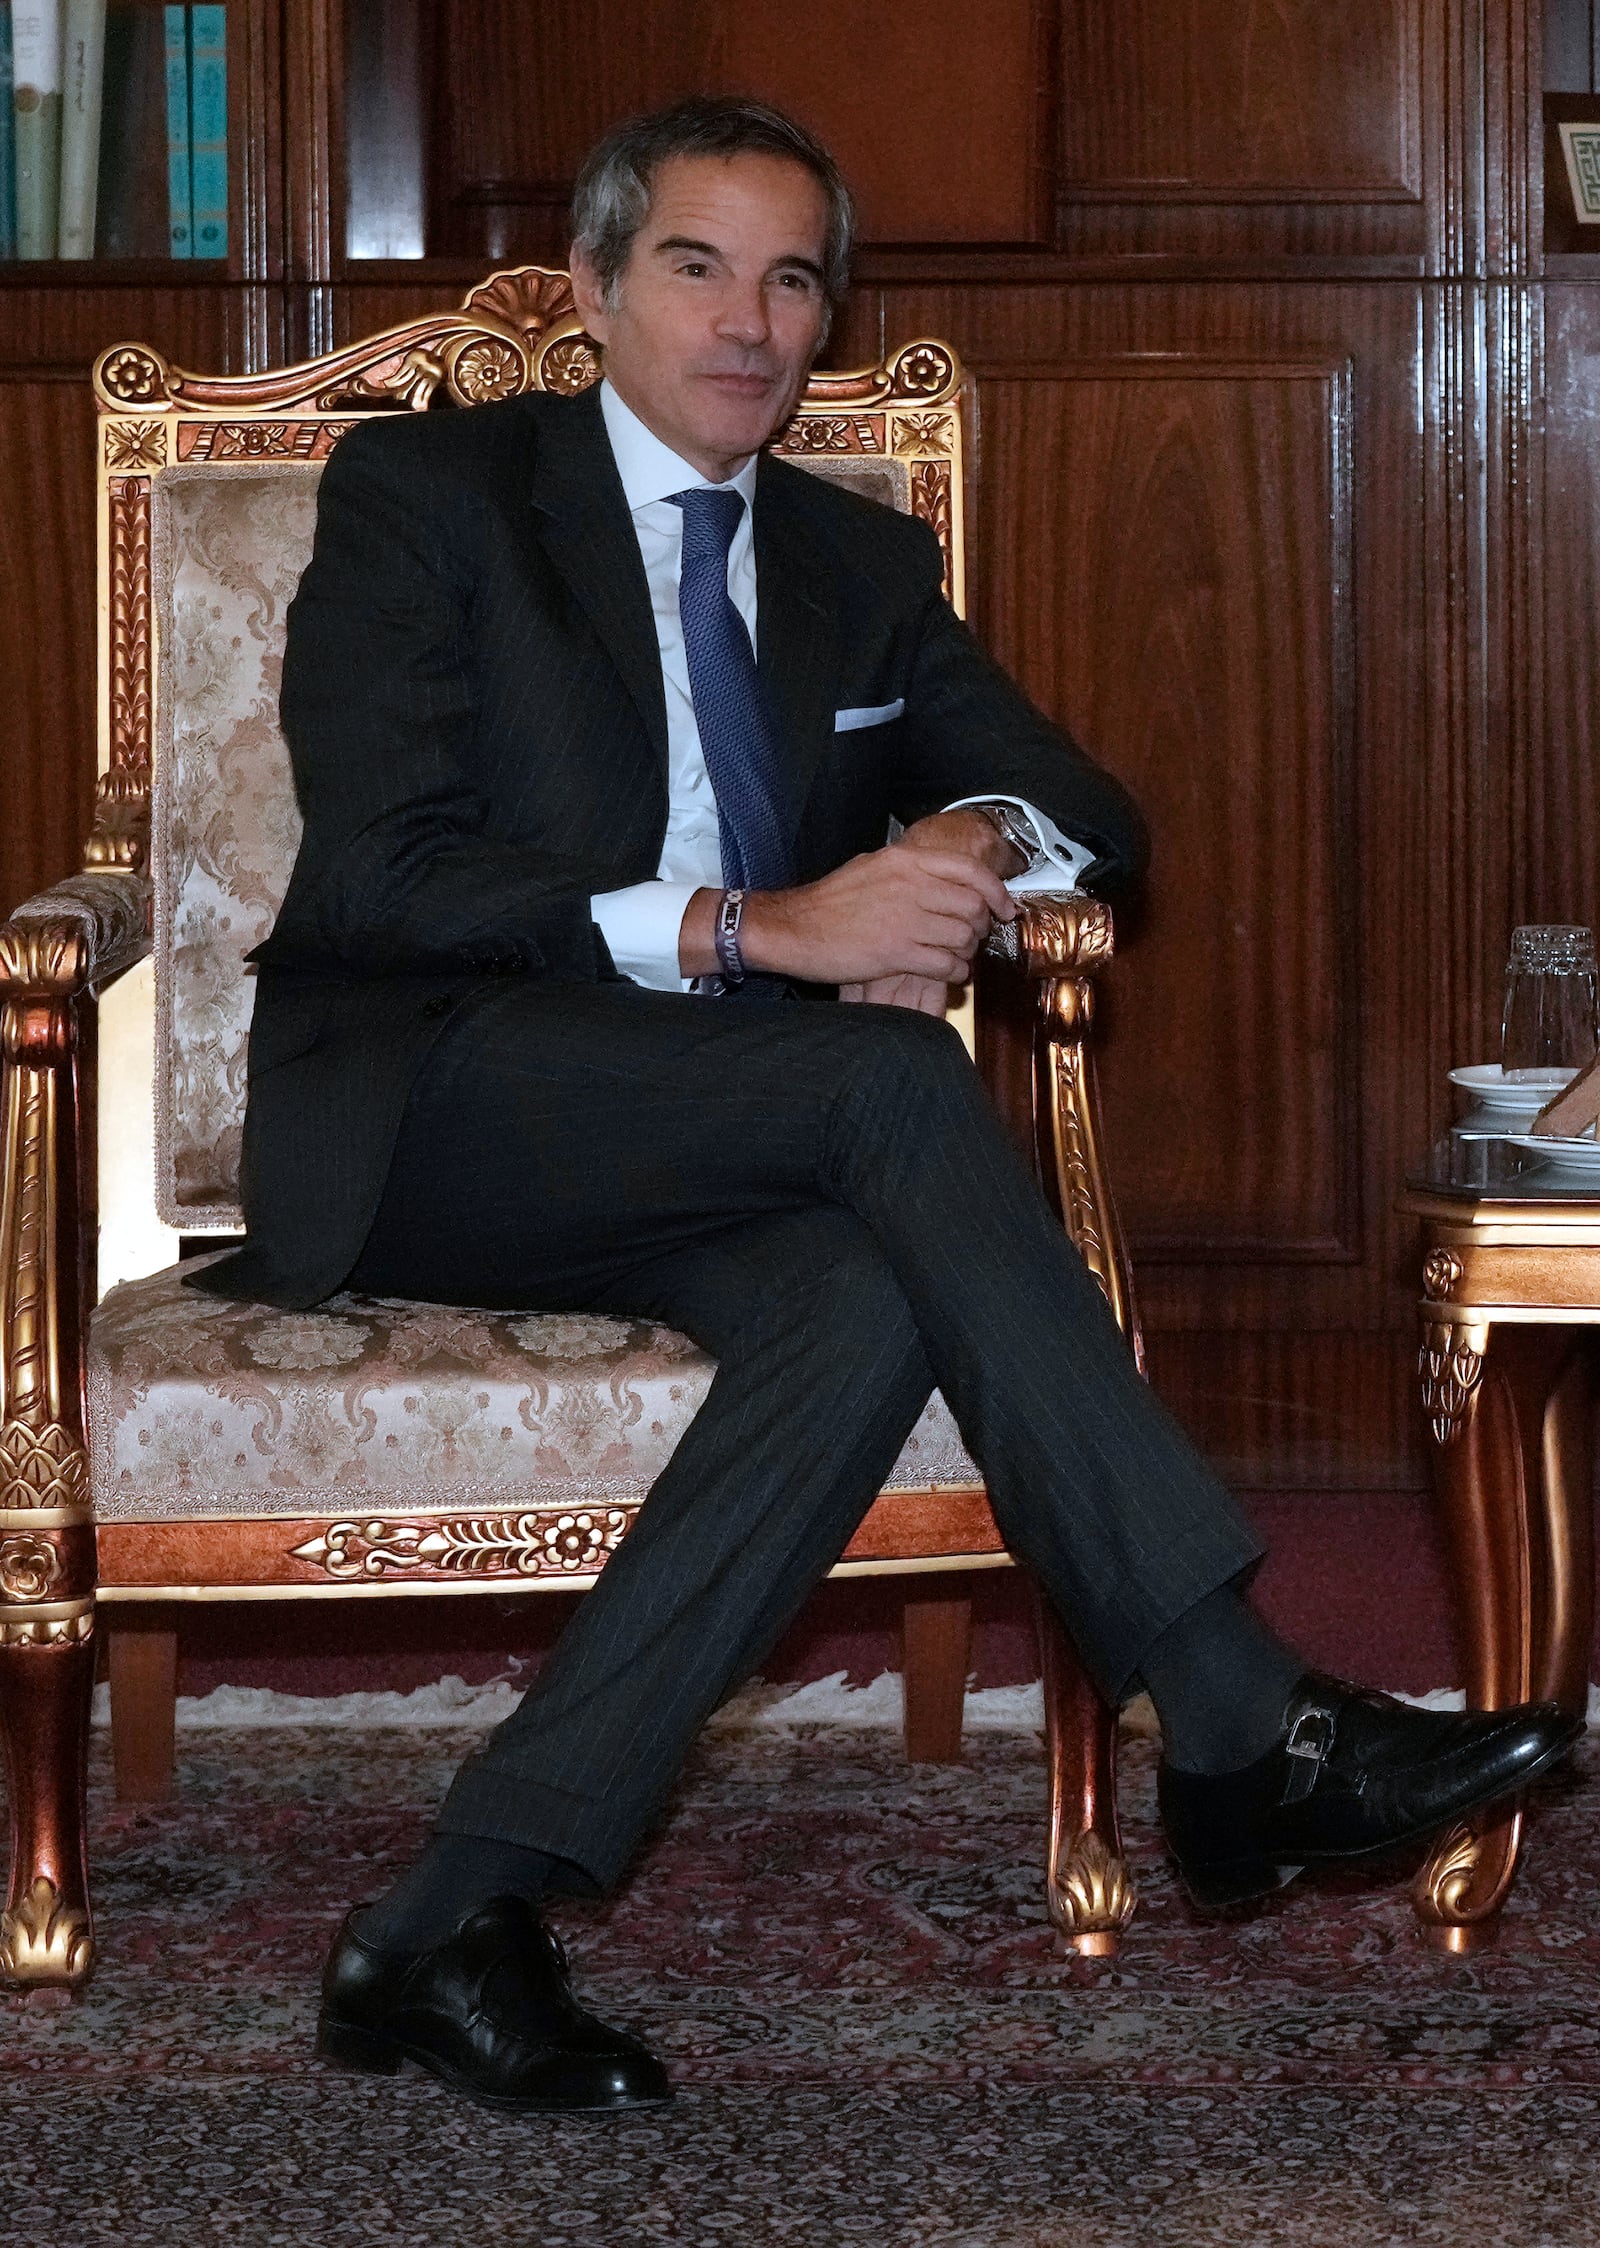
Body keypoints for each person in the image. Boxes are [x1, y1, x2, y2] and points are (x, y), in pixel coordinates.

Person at [195, 96, 1579, 2117]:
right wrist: (761, 923)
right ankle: (1230, 1712)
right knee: (870, 1067)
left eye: (791, 278)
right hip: (442, 1100)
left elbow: (1088, 817)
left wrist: (957, 830)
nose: (748, 320)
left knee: (854, 1301)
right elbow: (385, 883)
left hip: (715, 1126)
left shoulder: (854, 558)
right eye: (694, 264)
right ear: (592, 290)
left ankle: (445, 1916)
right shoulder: (433, 492)